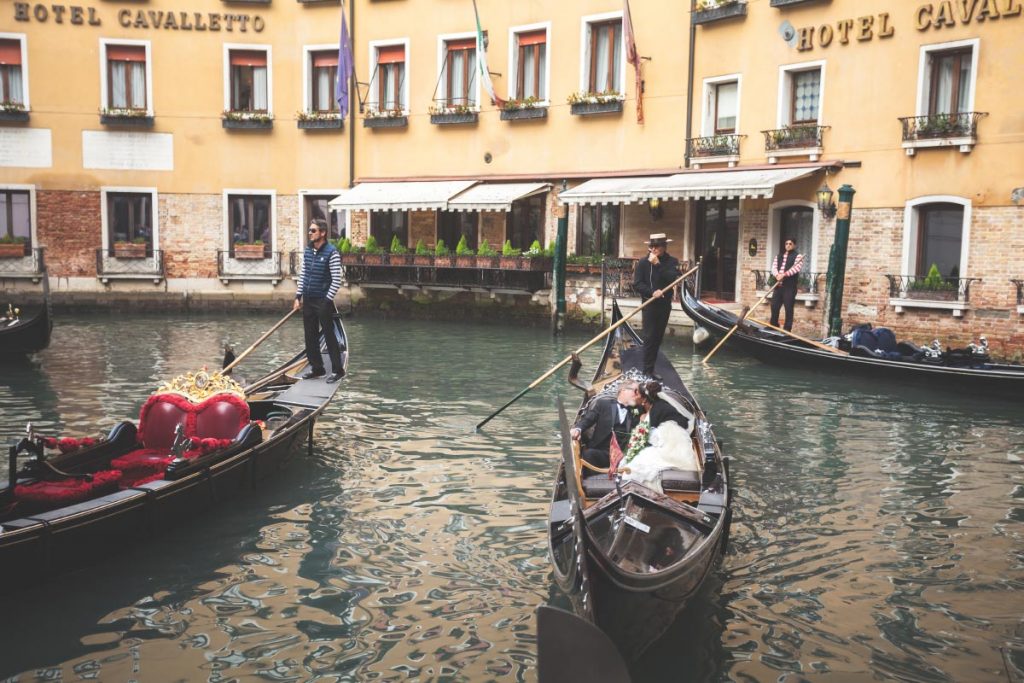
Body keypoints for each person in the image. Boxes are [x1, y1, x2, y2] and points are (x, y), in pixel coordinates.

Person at [621, 381, 699, 493]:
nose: (634, 395)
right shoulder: (642, 408)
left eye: (636, 394)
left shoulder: (661, 408)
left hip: (670, 443)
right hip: (657, 441)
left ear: (644, 399)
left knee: (638, 466)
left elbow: (668, 431)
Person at [293, 220, 344, 383]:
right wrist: (298, 297)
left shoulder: (332, 252)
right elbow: (303, 275)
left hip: (323, 300)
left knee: (329, 335)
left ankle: (338, 370)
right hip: (308, 299)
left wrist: (327, 300)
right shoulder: (308, 251)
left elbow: (337, 278)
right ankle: (317, 368)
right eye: (309, 230)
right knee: (310, 335)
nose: (310, 233)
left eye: (313, 230)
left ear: (323, 233)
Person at [632, 233, 681, 380]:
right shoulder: (642, 263)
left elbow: (672, 278)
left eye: (657, 246)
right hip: (649, 305)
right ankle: (646, 372)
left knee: (658, 338)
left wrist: (658, 264)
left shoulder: (672, 261)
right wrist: (652, 292)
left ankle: (651, 369)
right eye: (651, 246)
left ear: (664, 247)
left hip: (665, 305)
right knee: (649, 337)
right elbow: (638, 284)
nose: (653, 249)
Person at [570, 381, 640, 471]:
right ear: (623, 390)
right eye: (636, 391)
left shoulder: (638, 410)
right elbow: (588, 420)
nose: (638, 395)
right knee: (588, 454)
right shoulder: (603, 404)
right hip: (602, 452)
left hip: (624, 455)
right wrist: (578, 429)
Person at [769, 237, 804, 332]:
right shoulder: (779, 256)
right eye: (786, 243)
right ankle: (773, 326)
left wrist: (784, 274)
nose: (788, 245)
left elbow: (796, 269)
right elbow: (774, 267)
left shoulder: (798, 257)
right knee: (774, 306)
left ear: (794, 245)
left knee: (788, 308)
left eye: (790, 244)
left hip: (789, 287)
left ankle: (787, 329)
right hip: (778, 286)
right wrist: (777, 275)